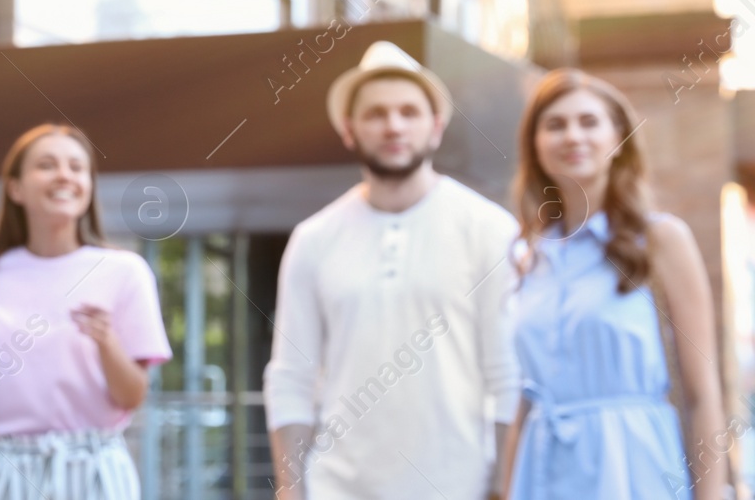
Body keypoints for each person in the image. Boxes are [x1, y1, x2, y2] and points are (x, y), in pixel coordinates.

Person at [264, 40, 520, 500]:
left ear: (436, 127)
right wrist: (290, 488)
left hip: (459, 487)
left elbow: (507, 374)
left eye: (408, 111)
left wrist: (504, 485)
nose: (393, 125)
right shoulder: (313, 239)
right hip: (337, 490)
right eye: (376, 114)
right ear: (349, 129)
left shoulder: (489, 229)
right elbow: (290, 378)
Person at [500, 69, 727, 499]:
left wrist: (713, 495)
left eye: (588, 122)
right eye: (555, 125)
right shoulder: (528, 255)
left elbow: (702, 393)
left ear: (618, 137)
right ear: (534, 144)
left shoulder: (661, 239)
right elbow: (523, 401)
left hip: (633, 469)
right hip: (542, 472)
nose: (572, 136)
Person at [0, 123, 171, 500]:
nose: (65, 175)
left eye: (77, 167)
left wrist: (106, 341)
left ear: (89, 186)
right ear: (15, 187)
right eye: (47, 165)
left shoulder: (125, 271)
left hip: (95, 464)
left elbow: (133, 395)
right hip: (8, 466)